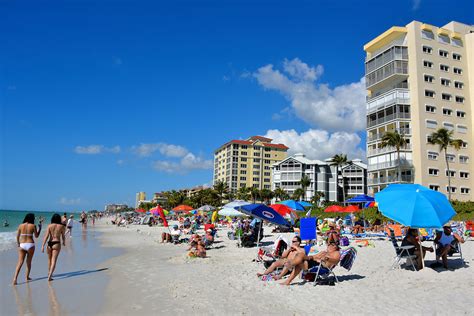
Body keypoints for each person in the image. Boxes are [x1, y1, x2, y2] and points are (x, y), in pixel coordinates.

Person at [12, 213, 43, 285]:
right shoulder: (33, 226)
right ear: (32, 219)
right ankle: (27, 277)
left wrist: (18, 244)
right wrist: (40, 228)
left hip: (22, 244)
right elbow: (36, 236)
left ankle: (15, 279)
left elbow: (17, 236)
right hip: (30, 245)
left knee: (20, 262)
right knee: (28, 262)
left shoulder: (20, 225)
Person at [41, 214, 66, 281]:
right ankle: (50, 275)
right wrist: (64, 242)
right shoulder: (62, 226)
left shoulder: (49, 226)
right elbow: (63, 236)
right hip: (57, 243)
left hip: (49, 243)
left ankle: (49, 273)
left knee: (49, 260)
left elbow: (46, 236)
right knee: (54, 260)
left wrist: (43, 245)